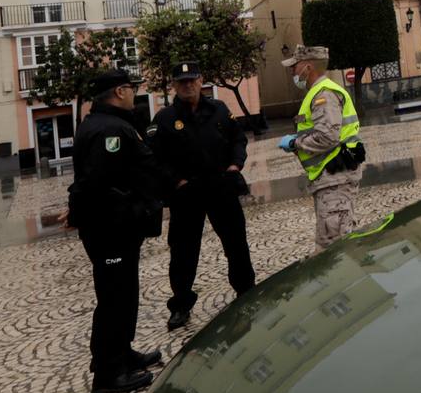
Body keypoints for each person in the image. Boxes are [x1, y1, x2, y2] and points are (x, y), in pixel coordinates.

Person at [65, 68, 165, 393]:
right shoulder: (108, 129)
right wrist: (133, 211)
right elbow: (99, 185)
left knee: (124, 293)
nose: (134, 93)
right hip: (111, 231)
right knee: (113, 299)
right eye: (131, 88)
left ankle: (122, 353)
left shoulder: (107, 123)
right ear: (119, 91)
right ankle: (107, 374)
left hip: (119, 229)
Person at [150, 61, 256, 331]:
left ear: (201, 81)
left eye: (192, 80)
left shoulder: (219, 110)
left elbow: (238, 140)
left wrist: (235, 165)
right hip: (187, 195)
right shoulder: (163, 119)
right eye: (182, 81)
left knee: (236, 243)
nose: (188, 85)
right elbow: (154, 159)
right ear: (174, 85)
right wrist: (177, 181)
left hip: (221, 187)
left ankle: (247, 290)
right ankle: (181, 304)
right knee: (184, 252)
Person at [277, 46, 365, 248]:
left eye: (295, 67)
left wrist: (294, 143)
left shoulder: (323, 95)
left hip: (335, 178)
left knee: (335, 247)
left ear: (308, 68)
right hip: (330, 178)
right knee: (336, 240)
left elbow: (327, 137)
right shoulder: (319, 92)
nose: (292, 72)